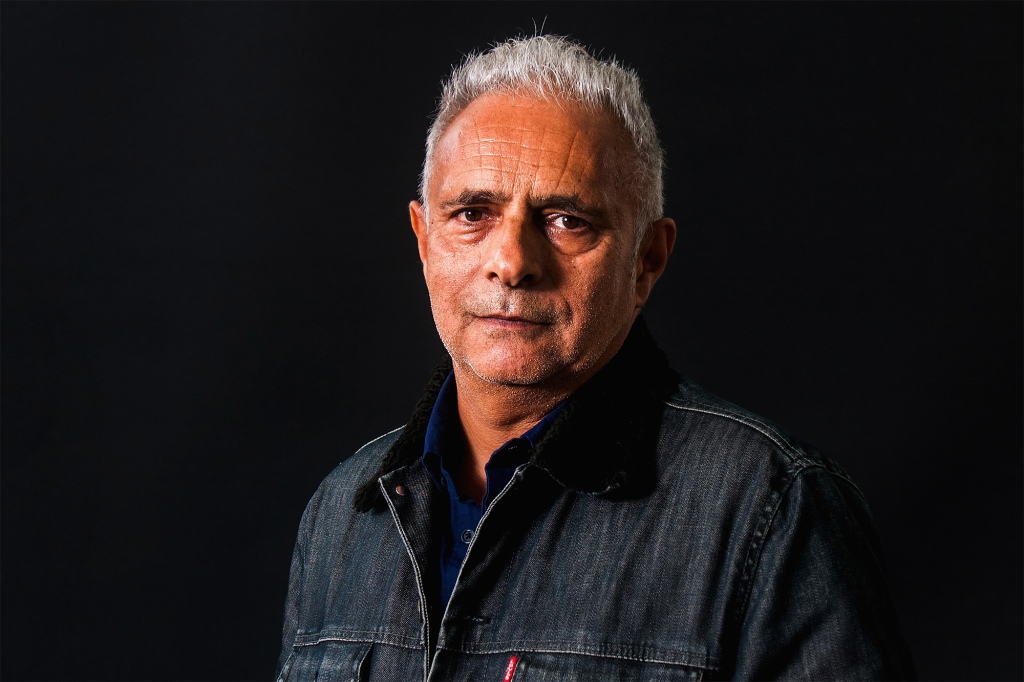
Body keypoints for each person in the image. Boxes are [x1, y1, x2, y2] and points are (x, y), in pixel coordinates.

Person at [276, 35, 913, 680]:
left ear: (648, 260)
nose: (512, 263)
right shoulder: (345, 515)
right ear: (423, 240)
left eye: (565, 221)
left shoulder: (768, 512)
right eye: (472, 213)